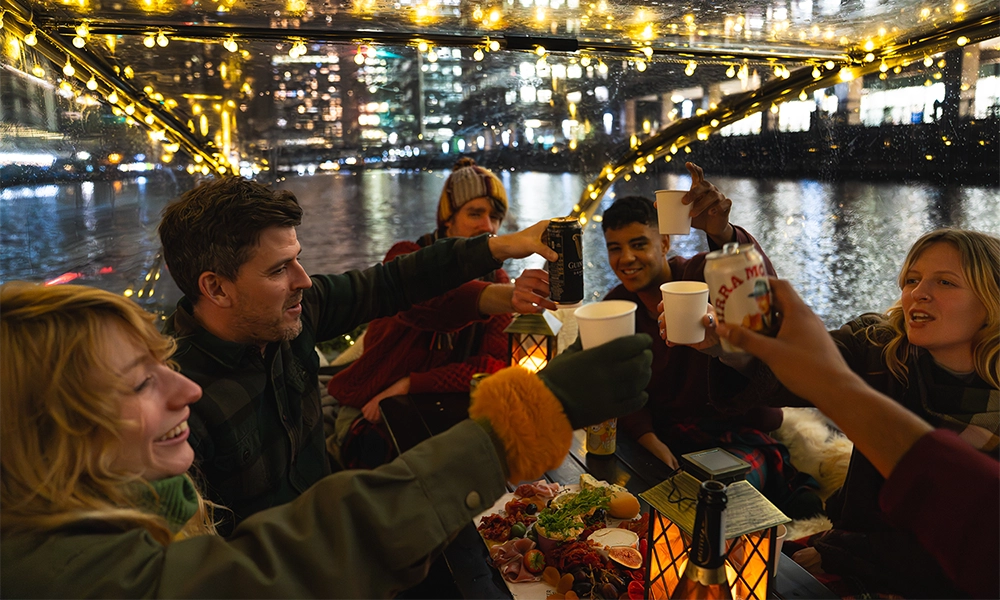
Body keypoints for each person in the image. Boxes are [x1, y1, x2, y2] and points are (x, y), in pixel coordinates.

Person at [0, 282, 653, 599]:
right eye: (141, 382)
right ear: (45, 431)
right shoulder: (62, 579)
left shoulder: (148, 509)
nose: (184, 391)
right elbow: (278, 567)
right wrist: (529, 416)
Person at [157, 176, 556, 533]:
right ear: (216, 288)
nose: (304, 280)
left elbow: (393, 283)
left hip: (332, 524)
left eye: (298, 258)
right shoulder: (172, 400)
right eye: (279, 270)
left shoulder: (296, 310)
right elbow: (197, 557)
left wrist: (503, 247)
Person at [709, 228, 1000, 599]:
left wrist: (840, 557)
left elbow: (977, 550)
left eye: (945, 281)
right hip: (851, 546)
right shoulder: (879, 346)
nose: (918, 293)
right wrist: (726, 345)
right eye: (912, 279)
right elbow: (791, 371)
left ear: (992, 302)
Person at [600, 162, 821, 518]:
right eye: (614, 248)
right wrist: (646, 436)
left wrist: (723, 231)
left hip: (735, 432)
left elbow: (756, 287)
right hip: (668, 440)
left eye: (639, 244)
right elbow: (618, 387)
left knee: (710, 508)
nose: (626, 259)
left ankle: (785, 490)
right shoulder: (615, 307)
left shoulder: (702, 272)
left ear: (665, 241)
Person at [327, 157, 556, 468]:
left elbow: (493, 365)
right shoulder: (404, 259)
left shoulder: (498, 280)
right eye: (475, 214)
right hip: (369, 408)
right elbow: (431, 304)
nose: (487, 226)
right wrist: (507, 296)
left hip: (438, 416)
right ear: (447, 220)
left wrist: (413, 383)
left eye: (495, 217)